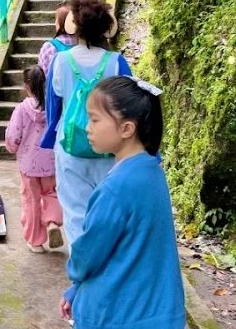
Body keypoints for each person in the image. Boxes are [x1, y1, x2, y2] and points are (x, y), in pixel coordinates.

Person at [59, 77, 184, 329]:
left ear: (127, 129)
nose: (87, 128)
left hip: (116, 314)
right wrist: (77, 289)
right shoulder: (151, 170)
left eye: (94, 120)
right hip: (158, 312)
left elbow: (88, 254)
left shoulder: (114, 189)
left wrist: (75, 278)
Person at [40, 0, 131, 243]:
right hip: (109, 148)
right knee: (108, 211)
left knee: (74, 214)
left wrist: (51, 137)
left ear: (75, 27)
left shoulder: (61, 61)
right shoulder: (116, 62)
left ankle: (81, 262)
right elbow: (131, 106)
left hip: (69, 146)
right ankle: (107, 259)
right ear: (106, 28)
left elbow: (53, 105)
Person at [4, 66, 65, 252]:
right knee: (50, 193)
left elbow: (14, 135)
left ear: (26, 85)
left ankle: (36, 241)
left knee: (31, 199)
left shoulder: (22, 109)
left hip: (29, 164)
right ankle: (52, 222)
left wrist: (12, 147)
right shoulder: (53, 107)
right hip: (50, 161)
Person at [37, 4, 75, 74]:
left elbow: (42, 73)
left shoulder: (49, 47)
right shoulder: (83, 44)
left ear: (59, 24)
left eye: (56, 20)